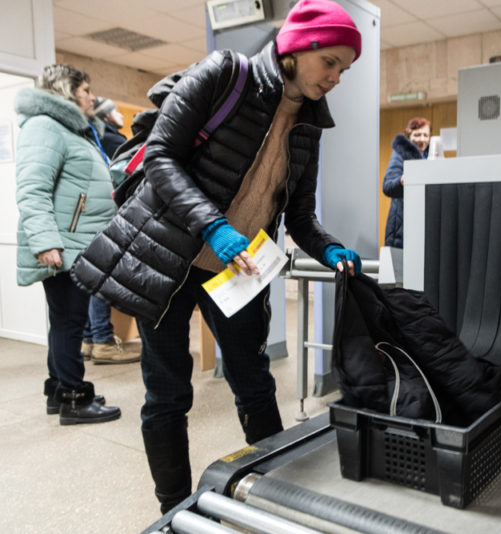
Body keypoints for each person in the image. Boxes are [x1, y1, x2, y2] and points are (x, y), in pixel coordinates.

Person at [73, 0, 363, 513]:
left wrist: (329, 247)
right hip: (167, 258)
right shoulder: (224, 73)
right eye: (330, 62)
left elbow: (298, 214)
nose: (336, 77)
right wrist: (213, 225)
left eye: (344, 68)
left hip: (237, 271)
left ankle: (274, 493)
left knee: (255, 385)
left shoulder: (310, 126)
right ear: (297, 48)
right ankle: (174, 510)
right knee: (168, 394)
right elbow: (161, 156)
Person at [14, 64, 122, 425]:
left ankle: (58, 389)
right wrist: (46, 243)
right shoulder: (45, 127)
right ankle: (74, 399)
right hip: (64, 244)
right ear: (66, 90)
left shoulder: (72, 130)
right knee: (69, 321)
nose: (92, 96)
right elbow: (33, 190)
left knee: (64, 320)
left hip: (77, 243)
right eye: (86, 90)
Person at [79, 96, 140, 364]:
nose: (121, 115)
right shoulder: (113, 140)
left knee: (90, 278)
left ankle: (89, 339)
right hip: (106, 214)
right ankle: (102, 340)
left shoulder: (87, 137)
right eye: (115, 111)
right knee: (101, 279)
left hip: (87, 217)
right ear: (105, 116)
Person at [382, 117, 430, 248]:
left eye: (425, 135)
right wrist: (402, 181)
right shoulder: (400, 154)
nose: (422, 139)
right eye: (417, 135)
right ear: (409, 136)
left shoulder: (429, 157)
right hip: (401, 227)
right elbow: (387, 186)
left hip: (421, 223)